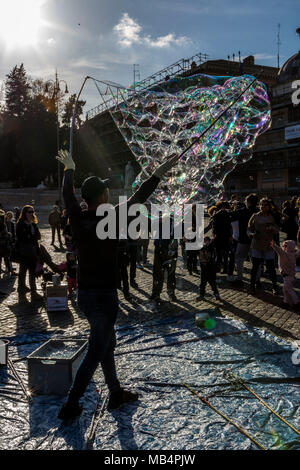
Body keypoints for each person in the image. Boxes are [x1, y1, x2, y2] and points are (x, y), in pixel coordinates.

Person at [56, 149, 178, 420]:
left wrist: (69, 170)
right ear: (103, 196)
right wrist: (158, 173)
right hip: (105, 296)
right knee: (97, 348)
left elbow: (68, 196)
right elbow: (140, 197)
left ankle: (115, 392)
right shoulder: (112, 218)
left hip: (85, 296)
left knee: (106, 344)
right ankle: (71, 404)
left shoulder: (77, 216)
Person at [248, 198, 279, 295]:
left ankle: (274, 287)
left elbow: (277, 229)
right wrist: (252, 234)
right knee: (255, 267)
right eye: (261, 204)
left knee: (271, 268)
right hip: (257, 244)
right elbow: (248, 230)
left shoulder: (272, 216)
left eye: (265, 205)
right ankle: (252, 286)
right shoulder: (255, 216)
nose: (263, 206)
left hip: (268, 245)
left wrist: (273, 229)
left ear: (269, 206)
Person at [230, 193, 259, 287]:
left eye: (246, 201)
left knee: (239, 259)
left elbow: (231, 216)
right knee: (255, 260)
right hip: (256, 239)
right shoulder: (259, 211)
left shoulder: (242, 211)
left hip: (243, 239)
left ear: (249, 202)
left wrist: (233, 206)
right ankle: (257, 280)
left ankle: (239, 279)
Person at [16, 206, 43, 304]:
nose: (32, 213)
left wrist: (30, 236)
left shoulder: (33, 224)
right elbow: (21, 238)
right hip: (24, 253)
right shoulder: (20, 224)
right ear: (24, 213)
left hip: (33, 252)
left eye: (33, 212)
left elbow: (38, 236)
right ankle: (22, 294)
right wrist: (31, 236)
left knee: (32, 273)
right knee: (22, 273)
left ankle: (34, 293)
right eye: (29, 212)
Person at [151, 215, 178, 303]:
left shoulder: (174, 221)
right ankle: (156, 294)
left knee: (170, 273)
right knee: (158, 272)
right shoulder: (158, 219)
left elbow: (176, 236)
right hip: (159, 248)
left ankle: (170, 293)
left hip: (169, 249)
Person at [271, 240, 300, 309]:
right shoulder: (294, 254)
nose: (283, 247)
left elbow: (278, 250)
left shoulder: (284, 254)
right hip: (291, 275)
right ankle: (286, 302)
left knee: (289, 289)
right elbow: (299, 252)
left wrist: (273, 245)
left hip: (286, 275)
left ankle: (297, 303)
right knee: (285, 289)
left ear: (287, 247)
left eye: (284, 246)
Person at [197, 236, 220, 301]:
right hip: (203, 269)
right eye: (204, 241)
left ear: (209, 241)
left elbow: (212, 257)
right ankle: (201, 295)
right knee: (202, 284)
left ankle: (216, 294)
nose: (205, 242)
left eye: (206, 241)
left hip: (211, 270)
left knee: (213, 283)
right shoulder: (201, 248)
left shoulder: (212, 248)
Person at [0, 210, 11, 278]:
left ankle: (8, 268)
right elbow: (4, 233)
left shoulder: (3, 224)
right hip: (3, 244)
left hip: (3, 244)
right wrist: (8, 235)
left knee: (5, 257)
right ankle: (8, 268)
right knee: (6, 257)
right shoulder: (3, 224)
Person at [5, 211, 16, 276]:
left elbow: (14, 232)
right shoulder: (4, 223)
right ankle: (8, 267)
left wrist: (14, 240)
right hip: (5, 241)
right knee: (6, 255)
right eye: (8, 215)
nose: (9, 217)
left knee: (10, 255)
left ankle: (10, 267)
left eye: (10, 216)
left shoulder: (12, 223)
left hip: (11, 240)